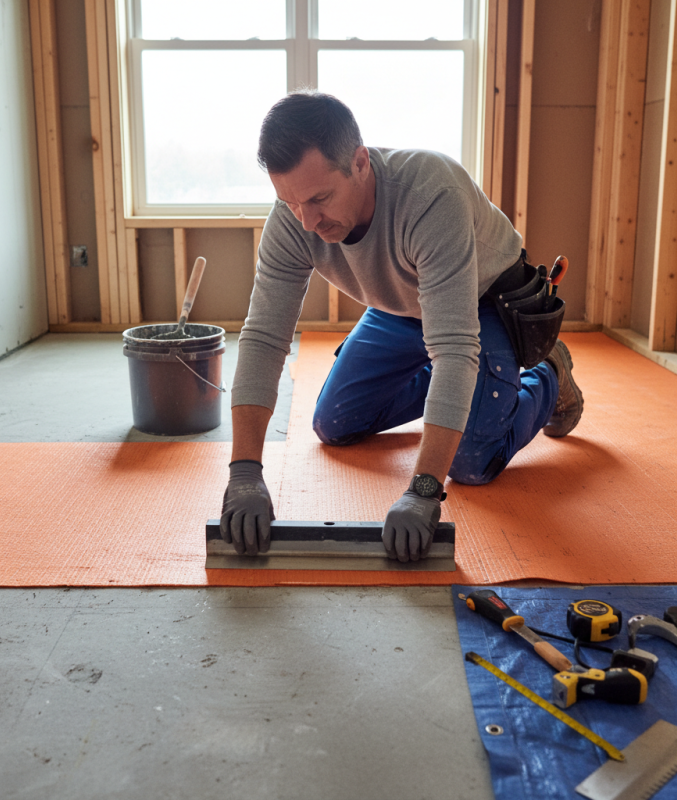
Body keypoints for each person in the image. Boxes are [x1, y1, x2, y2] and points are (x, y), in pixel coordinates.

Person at [219, 91, 583, 562]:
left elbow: (453, 347)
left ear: (360, 163)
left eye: (320, 199)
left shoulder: (431, 194)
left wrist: (425, 489)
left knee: (472, 463)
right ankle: (463, 391)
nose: (307, 221)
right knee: (335, 424)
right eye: (289, 202)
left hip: (480, 302)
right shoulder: (295, 217)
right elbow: (265, 337)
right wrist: (244, 470)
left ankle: (549, 375)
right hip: (401, 307)